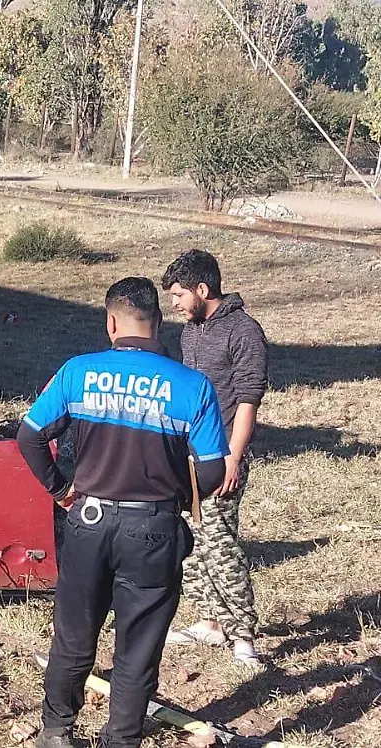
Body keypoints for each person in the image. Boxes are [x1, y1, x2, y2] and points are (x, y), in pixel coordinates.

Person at [16, 277, 229, 748]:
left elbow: (29, 436)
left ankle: (55, 733)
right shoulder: (193, 386)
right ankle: (120, 740)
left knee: (73, 639)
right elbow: (213, 472)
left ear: (111, 322)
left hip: (87, 522)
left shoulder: (79, 372)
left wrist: (61, 489)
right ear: (157, 323)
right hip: (154, 530)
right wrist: (177, 495)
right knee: (137, 651)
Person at [160, 249, 268, 666]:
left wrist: (233, 459)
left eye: (179, 295)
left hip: (221, 456)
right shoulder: (192, 332)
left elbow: (247, 401)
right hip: (186, 457)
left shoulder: (243, 333)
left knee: (221, 547)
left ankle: (243, 636)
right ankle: (209, 622)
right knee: (192, 543)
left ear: (202, 290)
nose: (174, 305)